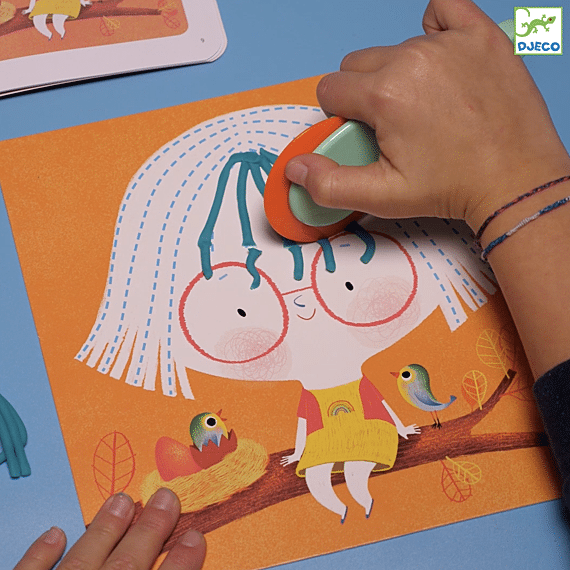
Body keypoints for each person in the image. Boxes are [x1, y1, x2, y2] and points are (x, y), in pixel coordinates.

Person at [14, 0, 570, 567]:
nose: (302, 305)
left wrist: (515, 183)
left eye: (348, 262)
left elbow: (553, 24)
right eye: (238, 301)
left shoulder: (544, 28)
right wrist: (519, 181)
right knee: (328, 474)